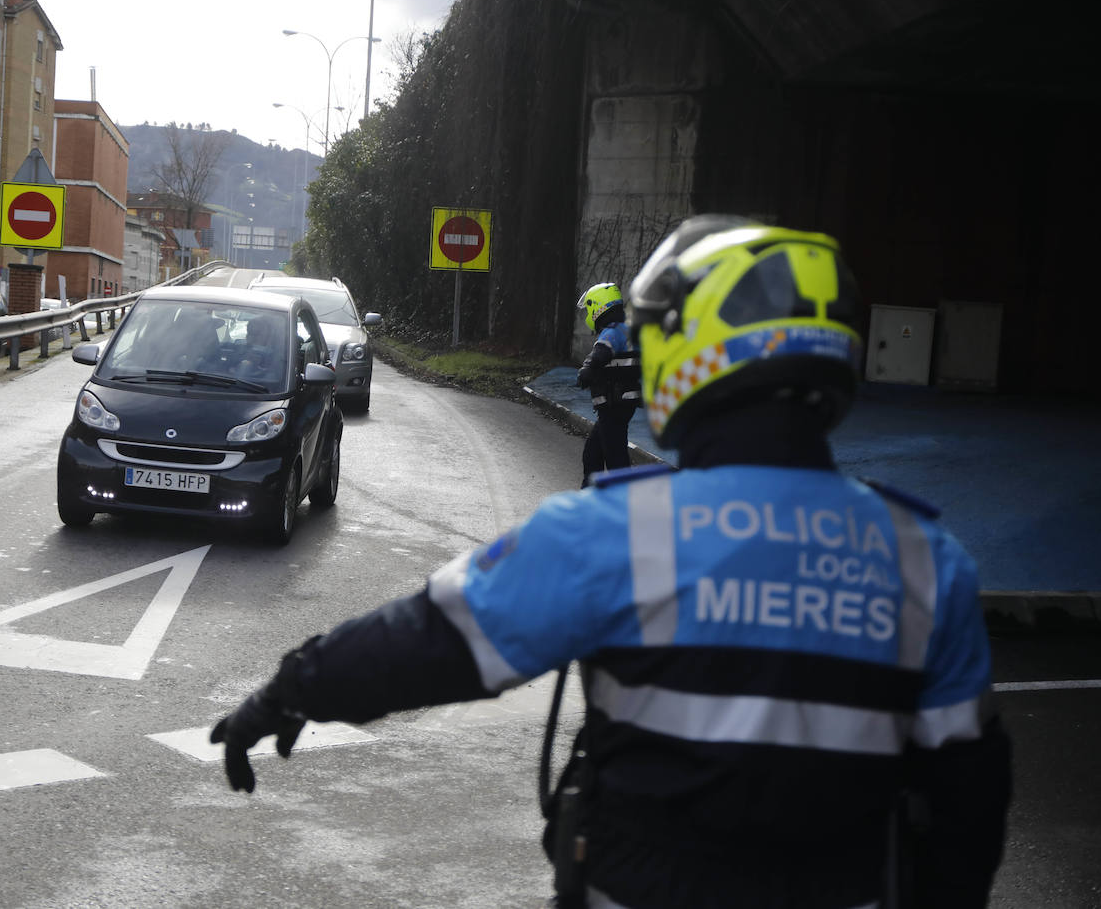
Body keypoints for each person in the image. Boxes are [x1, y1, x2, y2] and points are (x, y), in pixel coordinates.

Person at [210, 216, 1012, 909]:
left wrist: (291, 690)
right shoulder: (926, 561)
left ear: (691, 354)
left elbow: (433, 642)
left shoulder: (618, 531)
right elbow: (968, 799)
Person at [574, 283, 640, 488]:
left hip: (615, 404)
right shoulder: (625, 329)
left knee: (615, 455)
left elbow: (600, 353)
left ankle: (623, 501)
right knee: (593, 452)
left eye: (589, 309)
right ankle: (592, 494)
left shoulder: (613, 331)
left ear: (598, 307)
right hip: (617, 404)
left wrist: (586, 372)